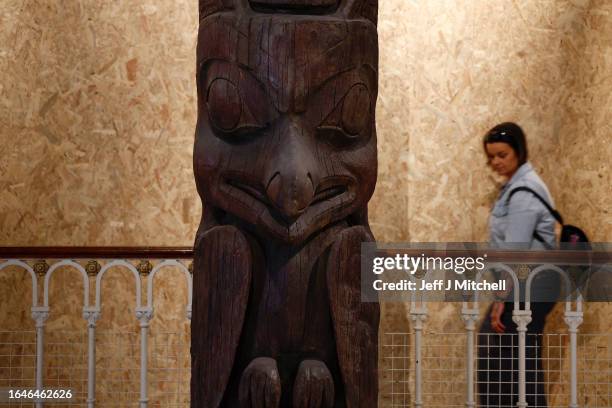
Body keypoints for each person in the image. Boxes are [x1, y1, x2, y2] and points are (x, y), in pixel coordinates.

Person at [477, 122, 558, 407]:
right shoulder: (517, 186)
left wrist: (502, 298)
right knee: (516, 360)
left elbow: (516, 252)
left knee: (514, 360)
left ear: (519, 151)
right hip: (527, 282)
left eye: (502, 155)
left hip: (529, 283)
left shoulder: (523, 192)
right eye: (491, 157)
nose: (496, 162)